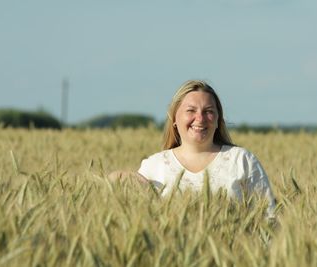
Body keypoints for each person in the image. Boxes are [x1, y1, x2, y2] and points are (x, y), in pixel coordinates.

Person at [110, 80, 276, 217]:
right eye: (191, 110)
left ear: (218, 119)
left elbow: (269, 218)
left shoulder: (241, 160)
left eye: (208, 111)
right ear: (174, 117)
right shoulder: (154, 165)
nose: (200, 118)